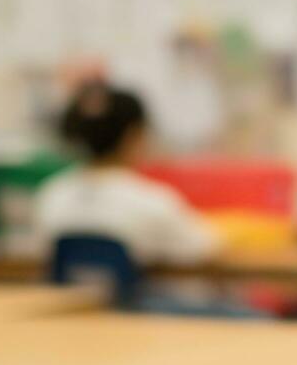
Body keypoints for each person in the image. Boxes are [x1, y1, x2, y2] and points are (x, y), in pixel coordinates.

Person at [33, 82, 220, 265]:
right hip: (139, 297)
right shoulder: (150, 201)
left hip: (73, 297)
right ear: (133, 136)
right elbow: (205, 247)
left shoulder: (51, 195)